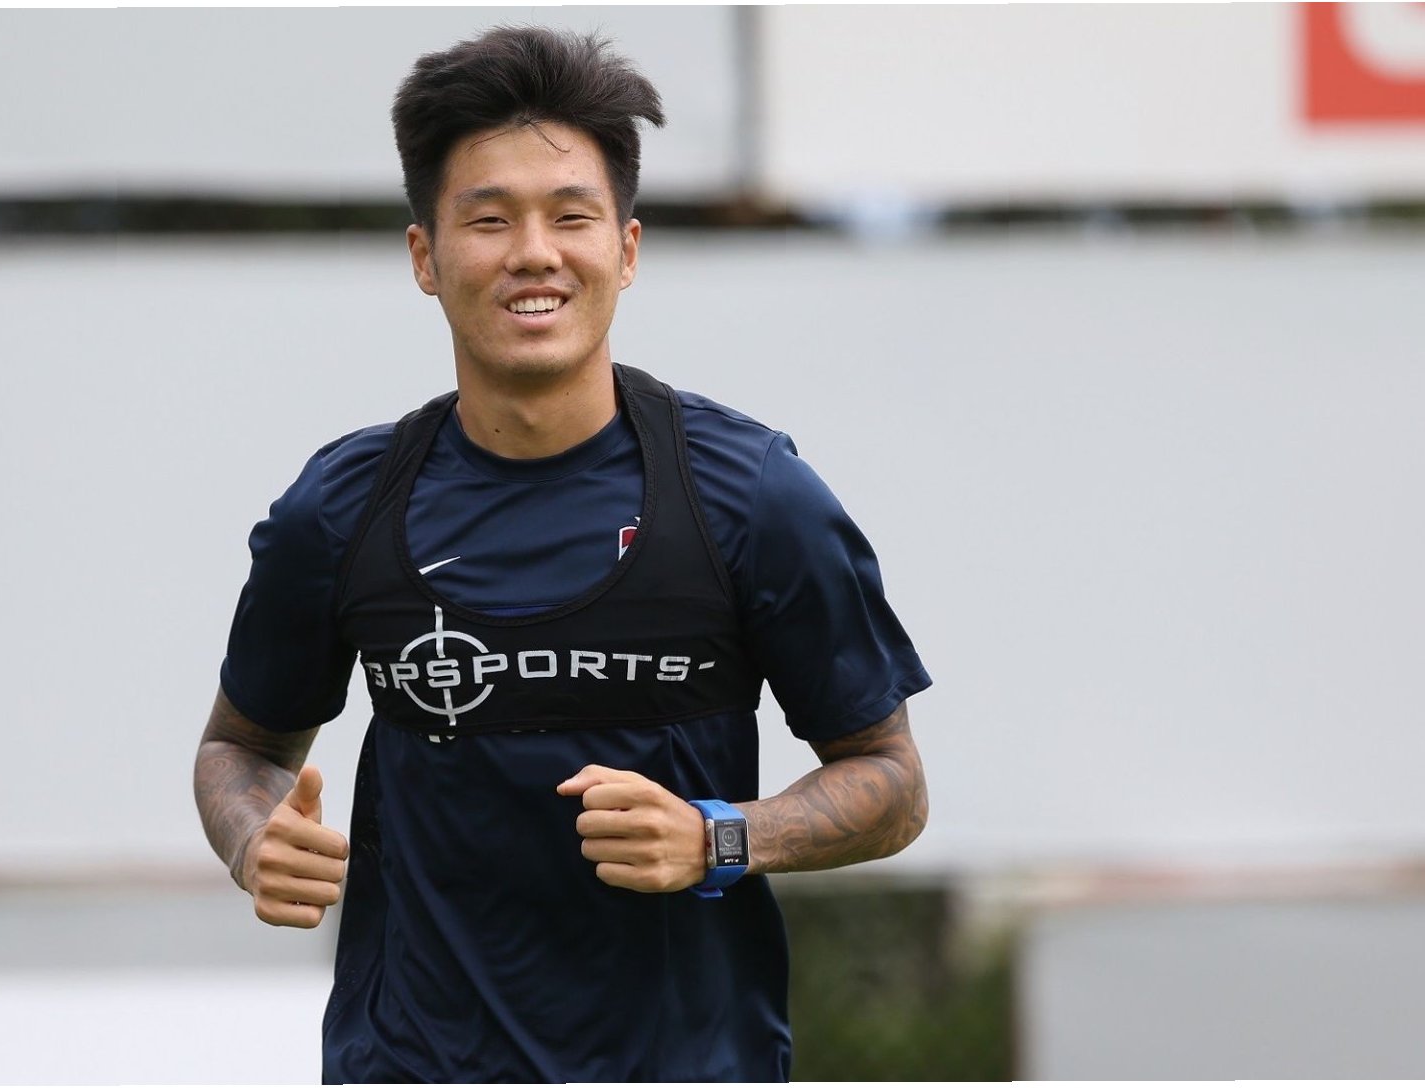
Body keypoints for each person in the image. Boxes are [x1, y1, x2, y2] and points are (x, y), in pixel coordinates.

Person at [193, 25, 931, 1083]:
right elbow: (240, 748)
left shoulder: (753, 497)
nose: (533, 252)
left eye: (571, 216)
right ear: (425, 256)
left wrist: (718, 838)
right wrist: (251, 839)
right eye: (489, 218)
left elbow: (892, 782)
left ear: (625, 250)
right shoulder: (341, 508)